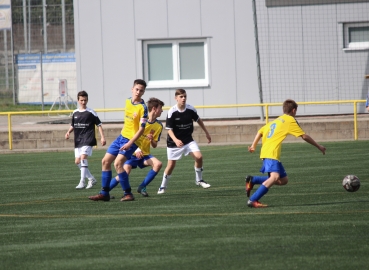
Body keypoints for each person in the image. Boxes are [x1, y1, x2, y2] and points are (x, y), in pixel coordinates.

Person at [246, 99, 326, 208]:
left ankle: (253, 180)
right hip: (272, 152)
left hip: (267, 151)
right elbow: (304, 136)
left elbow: (260, 131)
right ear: (293, 110)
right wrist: (319, 146)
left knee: (283, 180)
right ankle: (253, 200)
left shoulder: (276, 120)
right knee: (274, 177)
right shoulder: (290, 120)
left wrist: (253, 146)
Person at [88, 79, 148, 202]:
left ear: (143, 92)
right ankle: (104, 193)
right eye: (136, 89)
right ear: (132, 89)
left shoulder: (143, 108)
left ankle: (128, 193)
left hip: (132, 141)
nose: (138, 92)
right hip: (121, 137)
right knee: (105, 161)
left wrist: (131, 143)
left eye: (141, 90)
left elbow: (141, 129)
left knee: (118, 164)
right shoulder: (127, 101)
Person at [157, 89, 212, 194]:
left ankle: (199, 180)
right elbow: (169, 129)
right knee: (171, 165)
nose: (183, 98)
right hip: (174, 143)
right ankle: (162, 186)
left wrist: (206, 132)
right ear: (176, 98)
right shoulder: (172, 112)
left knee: (199, 157)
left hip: (188, 140)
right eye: (181, 96)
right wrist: (176, 140)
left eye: (185, 96)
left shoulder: (190, 109)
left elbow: (198, 120)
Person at [109, 98, 164, 197]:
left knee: (158, 164)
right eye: (161, 108)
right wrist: (137, 149)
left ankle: (142, 186)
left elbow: (155, 145)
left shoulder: (159, 125)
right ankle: (106, 191)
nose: (162, 111)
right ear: (154, 109)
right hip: (132, 153)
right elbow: (132, 134)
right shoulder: (142, 119)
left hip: (144, 155)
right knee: (124, 172)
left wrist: (152, 140)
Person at [65, 90, 106, 189]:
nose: (83, 102)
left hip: (88, 139)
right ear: (78, 100)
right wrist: (68, 132)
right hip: (78, 140)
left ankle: (82, 182)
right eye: (82, 100)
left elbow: (99, 125)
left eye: (85, 100)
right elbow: (73, 125)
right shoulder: (75, 112)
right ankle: (91, 179)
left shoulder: (91, 112)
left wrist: (102, 137)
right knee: (77, 162)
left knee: (83, 158)